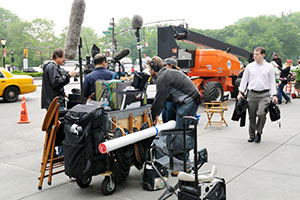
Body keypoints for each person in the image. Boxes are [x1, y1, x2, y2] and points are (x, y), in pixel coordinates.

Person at [237, 47, 278, 143]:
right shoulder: (249, 67)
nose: (254, 56)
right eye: (254, 54)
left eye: (257, 54)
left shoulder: (269, 67)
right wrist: (240, 92)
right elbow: (244, 80)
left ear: (263, 55)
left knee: (261, 113)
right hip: (252, 94)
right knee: (251, 116)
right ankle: (252, 135)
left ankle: (259, 132)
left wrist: (274, 95)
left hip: (265, 94)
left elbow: (272, 82)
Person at [41, 48, 77, 157]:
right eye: (63, 57)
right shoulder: (52, 66)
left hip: (52, 101)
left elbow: (54, 85)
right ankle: (60, 154)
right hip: (55, 103)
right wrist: (69, 75)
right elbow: (55, 82)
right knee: (59, 128)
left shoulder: (50, 66)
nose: (64, 60)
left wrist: (62, 93)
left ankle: (52, 153)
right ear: (57, 56)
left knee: (53, 128)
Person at [149, 56, 201, 128]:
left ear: (154, 68)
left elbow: (159, 99)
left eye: (149, 68)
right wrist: (157, 113)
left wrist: (152, 116)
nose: (149, 71)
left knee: (180, 130)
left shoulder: (162, 78)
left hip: (190, 100)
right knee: (172, 125)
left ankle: (180, 138)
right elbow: (164, 98)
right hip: (189, 98)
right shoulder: (165, 73)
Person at [161, 57, 180, 123]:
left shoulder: (178, 75)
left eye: (165, 65)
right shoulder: (166, 74)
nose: (163, 67)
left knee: (169, 110)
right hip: (167, 98)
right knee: (164, 114)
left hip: (174, 99)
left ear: (171, 66)